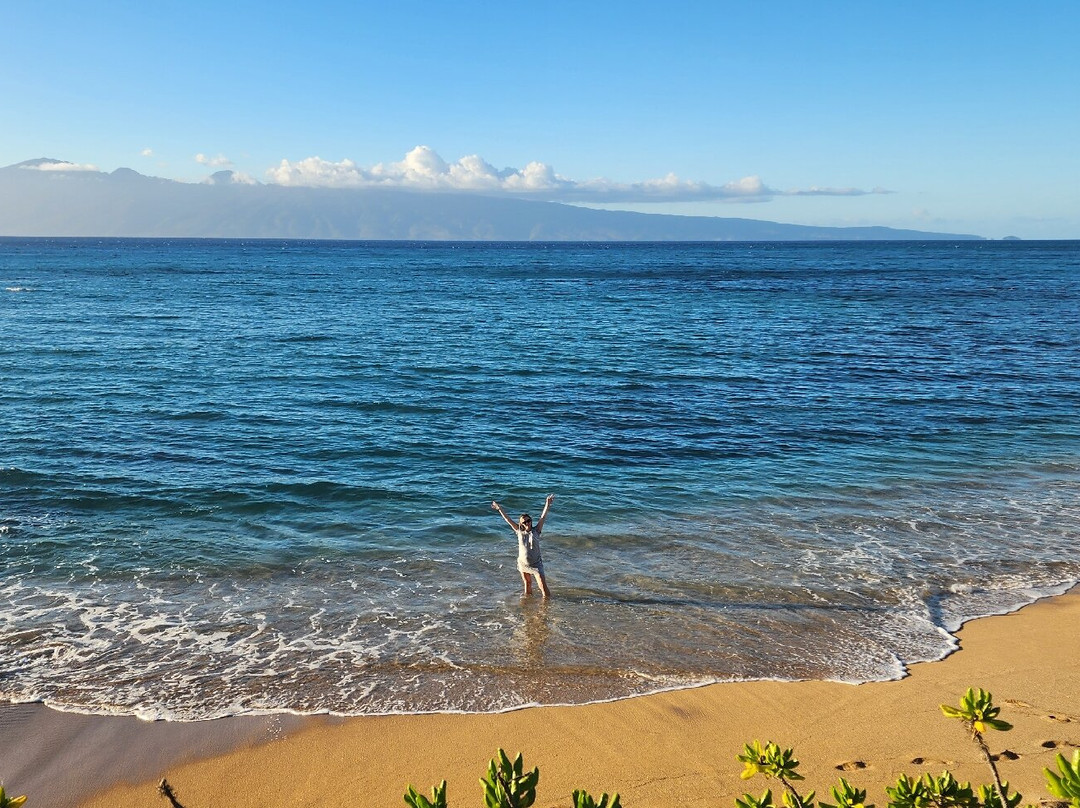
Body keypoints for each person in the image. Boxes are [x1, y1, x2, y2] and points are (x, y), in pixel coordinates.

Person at [491, 494, 554, 597]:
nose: (527, 523)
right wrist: (499, 508)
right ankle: (528, 604)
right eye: (524, 522)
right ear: (521, 524)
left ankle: (547, 607)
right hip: (523, 563)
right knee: (527, 583)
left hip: (536, 564)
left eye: (529, 521)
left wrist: (547, 504)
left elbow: (543, 517)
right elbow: (508, 519)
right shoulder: (519, 531)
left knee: (542, 586)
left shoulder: (536, 530)